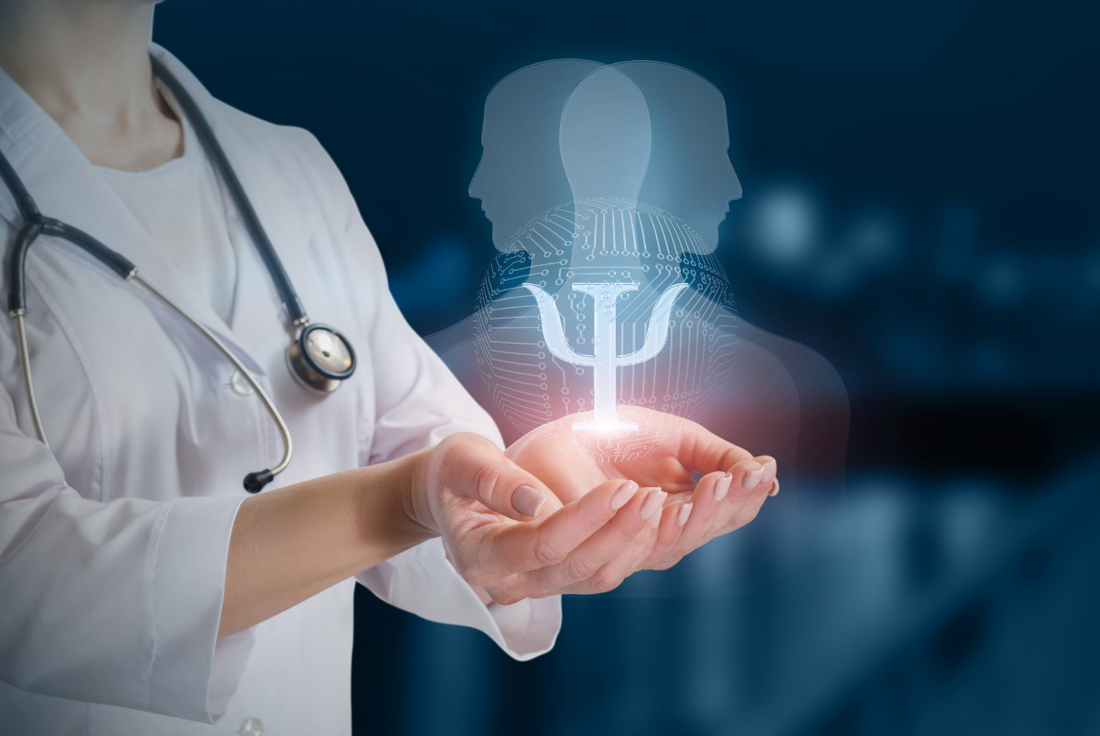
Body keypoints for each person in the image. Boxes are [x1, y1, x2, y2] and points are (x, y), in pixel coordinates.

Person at [0, 2, 780, 735]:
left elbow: (422, 451)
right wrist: (404, 501)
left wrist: (526, 495)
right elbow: (21, 585)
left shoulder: (288, 170)